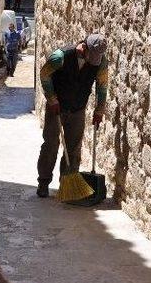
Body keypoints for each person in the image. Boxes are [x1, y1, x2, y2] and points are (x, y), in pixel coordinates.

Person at [36, 34, 109, 198]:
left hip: (78, 108)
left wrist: (99, 110)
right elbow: (44, 75)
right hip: (57, 106)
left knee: (74, 148)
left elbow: (102, 86)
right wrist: (52, 99)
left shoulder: (101, 62)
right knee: (51, 144)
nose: (94, 60)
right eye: (92, 56)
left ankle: (67, 186)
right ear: (84, 48)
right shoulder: (61, 56)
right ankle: (43, 182)